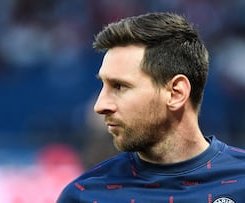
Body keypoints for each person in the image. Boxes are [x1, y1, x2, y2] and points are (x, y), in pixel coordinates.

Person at [57, 12, 245, 203]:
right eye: (103, 85)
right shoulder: (84, 194)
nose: (100, 105)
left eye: (120, 86)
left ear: (176, 93)